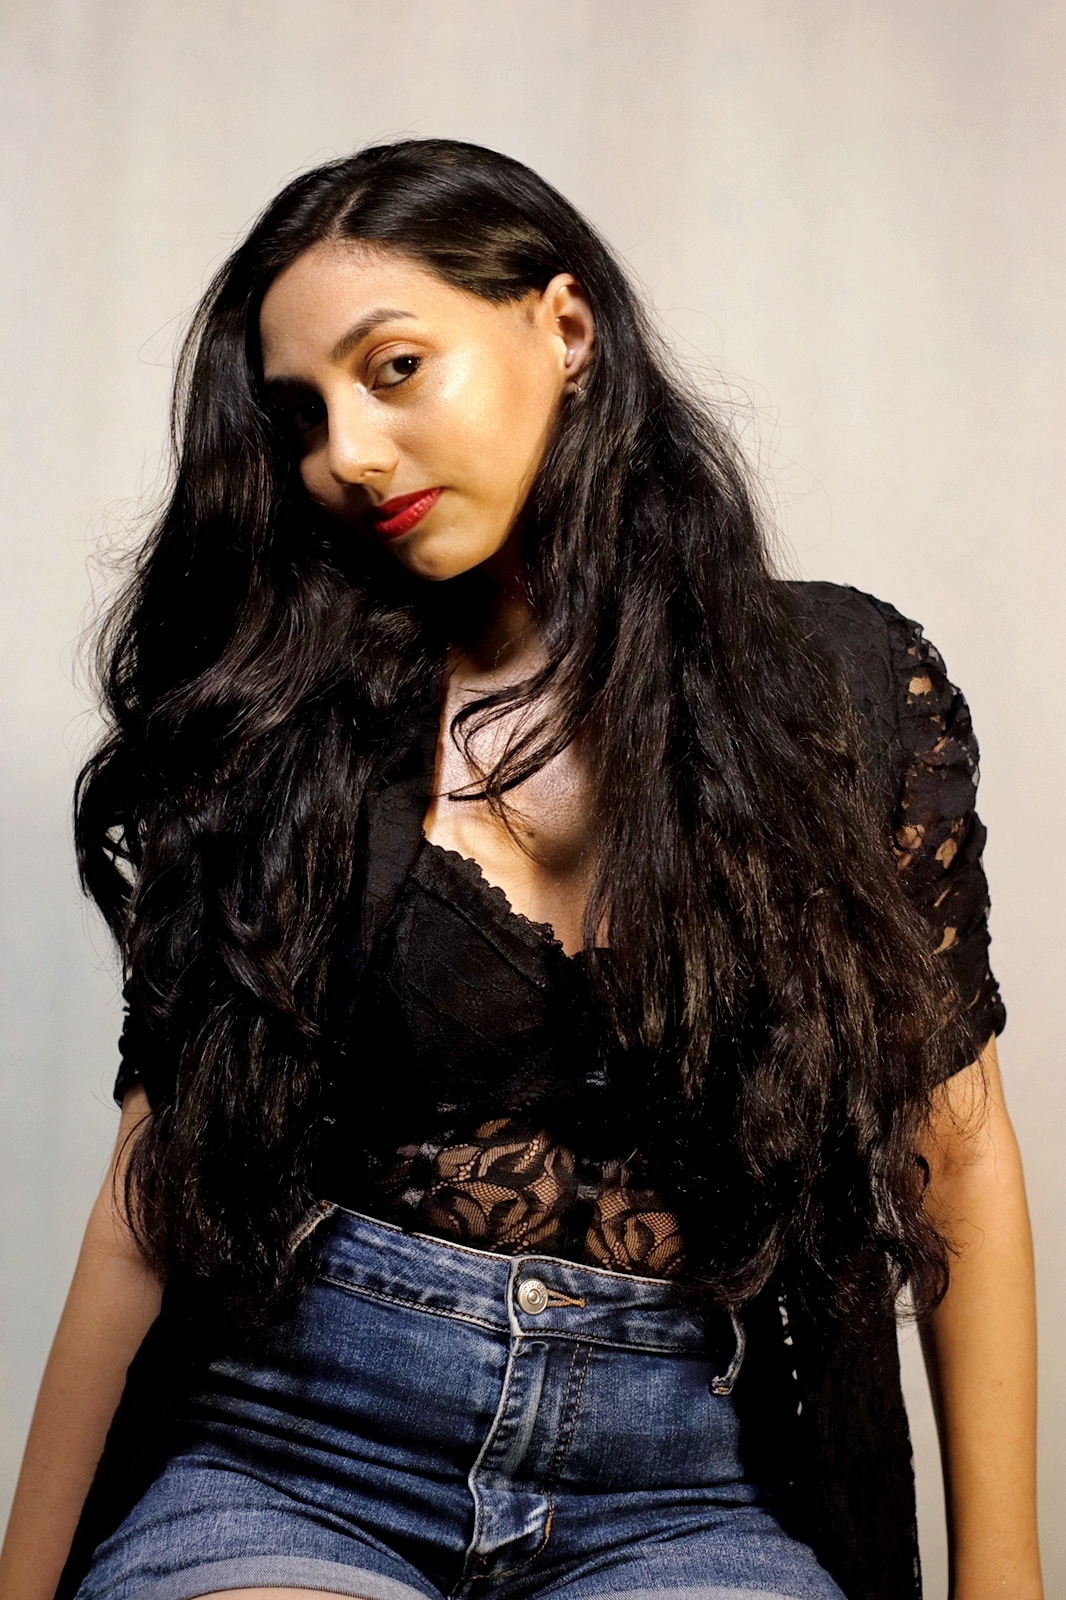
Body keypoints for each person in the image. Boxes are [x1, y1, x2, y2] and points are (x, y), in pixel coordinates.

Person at [0, 139, 1041, 1600]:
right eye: (303, 418)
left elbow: (960, 1149)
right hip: (298, 1454)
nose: (349, 456)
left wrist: (1005, 1577)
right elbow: (150, 1194)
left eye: (395, 369)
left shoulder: (836, 692)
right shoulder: (287, 725)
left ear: (565, 328)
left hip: (682, 1489)